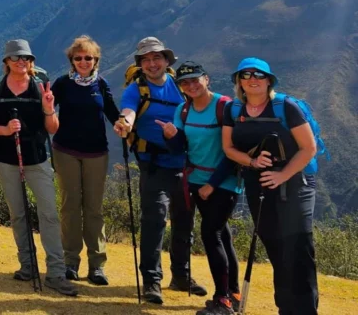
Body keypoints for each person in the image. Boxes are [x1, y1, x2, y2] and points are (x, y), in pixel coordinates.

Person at [220, 58, 318, 315]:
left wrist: (282, 174)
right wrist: (252, 161)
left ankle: (306, 310)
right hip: (258, 184)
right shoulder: (233, 110)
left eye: (259, 75)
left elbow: (309, 148)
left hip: (297, 183)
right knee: (274, 246)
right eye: (246, 75)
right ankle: (285, 308)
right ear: (239, 81)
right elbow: (228, 148)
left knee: (298, 249)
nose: (253, 79)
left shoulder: (285, 107)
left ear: (269, 80)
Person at [113, 36, 205, 304]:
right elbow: (128, 111)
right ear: (140, 64)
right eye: (146, 60)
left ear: (167, 61)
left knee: (184, 223)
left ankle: (181, 276)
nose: (152, 64)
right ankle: (152, 281)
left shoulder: (181, 87)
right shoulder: (136, 89)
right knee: (154, 222)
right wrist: (125, 124)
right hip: (153, 166)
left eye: (156, 58)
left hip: (185, 166)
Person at [0, 39, 77, 297]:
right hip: (6, 158)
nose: (21, 62)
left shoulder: (40, 87)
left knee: (49, 214)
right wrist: (3, 130)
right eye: (15, 58)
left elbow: (53, 129)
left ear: (31, 61)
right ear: (6, 62)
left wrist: (48, 110)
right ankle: (27, 266)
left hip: (37, 158)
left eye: (25, 58)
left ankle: (56, 273)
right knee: (18, 215)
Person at [156, 61, 241, 315]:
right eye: (184, 82)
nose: (191, 85)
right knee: (222, 235)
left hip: (223, 182)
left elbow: (232, 151)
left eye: (195, 80)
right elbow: (181, 148)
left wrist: (211, 185)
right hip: (194, 180)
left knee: (210, 234)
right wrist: (171, 136)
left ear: (207, 79)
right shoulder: (183, 110)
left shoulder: (225, 107)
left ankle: (223, 300)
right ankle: (233, 294)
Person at [50, 35, 121, 285]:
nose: (83, 61)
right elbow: (48, 111)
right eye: (78, 58)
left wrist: (124, 125)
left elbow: (113, 112)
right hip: (65, 151)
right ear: (72, 60)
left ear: (95, 60)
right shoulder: (62, 84)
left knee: (94, 209)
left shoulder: (101, 84)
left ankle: (97, 265)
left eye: (88, 57)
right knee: (70, 207)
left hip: (96, 154)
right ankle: (70, 262)